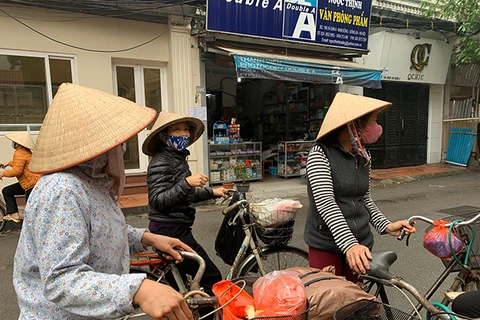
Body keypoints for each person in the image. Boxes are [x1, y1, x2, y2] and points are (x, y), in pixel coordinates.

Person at [13, 83, 195, 320]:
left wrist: (145, 238)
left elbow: (98, 231)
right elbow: (61, 279)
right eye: (118, 144)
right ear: (99, 147)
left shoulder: (91, 182)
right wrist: (137, 289)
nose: (120, 150)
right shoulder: (62, 190)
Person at [304, 92, 416, 283]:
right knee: (326, 304)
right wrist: (349, 246)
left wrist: (386, 226)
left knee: (355, 304)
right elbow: (326, 204)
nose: (377, 127)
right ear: (354, 125)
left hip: (362, 245)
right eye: (374, 121)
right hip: (326, 245)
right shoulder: (319, 154)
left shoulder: (363, 156)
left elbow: (365, 199)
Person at [142, 111, 225, 314]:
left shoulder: (176, 158)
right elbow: (158, 201)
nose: (184, 133)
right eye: (177, 129)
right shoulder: (162, 161)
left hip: (176, 227)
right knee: (210, 277)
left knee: (179, 286)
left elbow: (183, 195)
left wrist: (213, 192)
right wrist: (187, 183)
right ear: (164, 136)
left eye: (186, 129)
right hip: (169, 231)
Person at [0, 131, 41, 223]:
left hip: (32, 185)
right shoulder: (25, 151)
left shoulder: (19, 153)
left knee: (31, 212)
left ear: (18, 143)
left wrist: (3, 173)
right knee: (7, 191)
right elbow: (20, 162)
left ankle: (15, 214)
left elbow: (17, 171)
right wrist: (9, 163)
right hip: (34, 183)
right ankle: (14, 214)